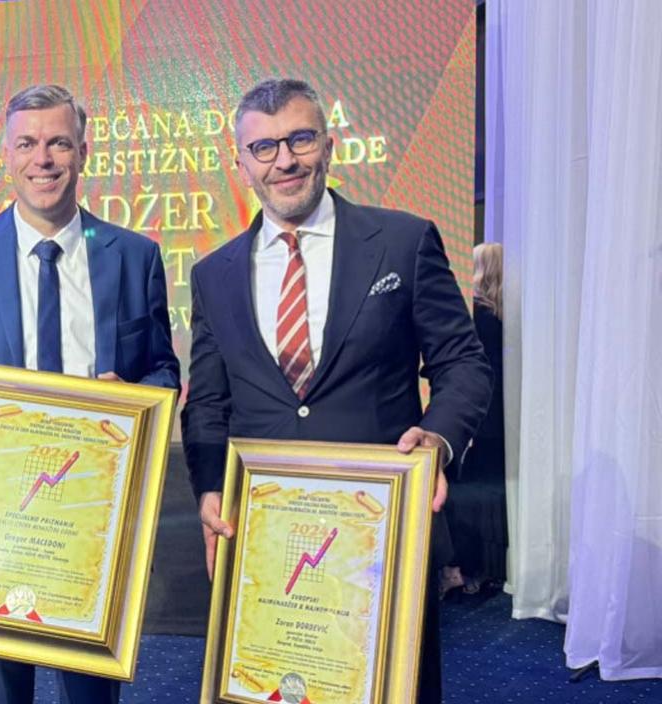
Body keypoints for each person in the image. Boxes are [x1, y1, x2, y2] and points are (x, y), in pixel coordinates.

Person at [181, 78, 492, 703]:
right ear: (241, 164)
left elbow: (463, 362)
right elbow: (210, 400)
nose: (284, 160)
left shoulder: (403, 241)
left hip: (382, 530)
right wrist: (210, 487)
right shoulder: (213, 274)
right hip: (268, 538)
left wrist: (438, 439)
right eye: (264, 148)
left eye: (299, 139)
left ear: (328, 145)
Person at [0, 84, 180, 704]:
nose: (44, 159)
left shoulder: (134, 256)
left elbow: (165, 373)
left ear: (83, 151)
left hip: (91, 517)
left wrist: (135, 401)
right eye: (27, 144)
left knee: (90, 694)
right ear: (5, 154)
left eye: (59, 143)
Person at [443, 242, 507, 597]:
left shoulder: (475, 315)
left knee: (465, 495)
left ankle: (463, 569)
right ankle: (490, 568)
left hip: (481, 416)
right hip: (505, 418)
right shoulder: (508, 318)